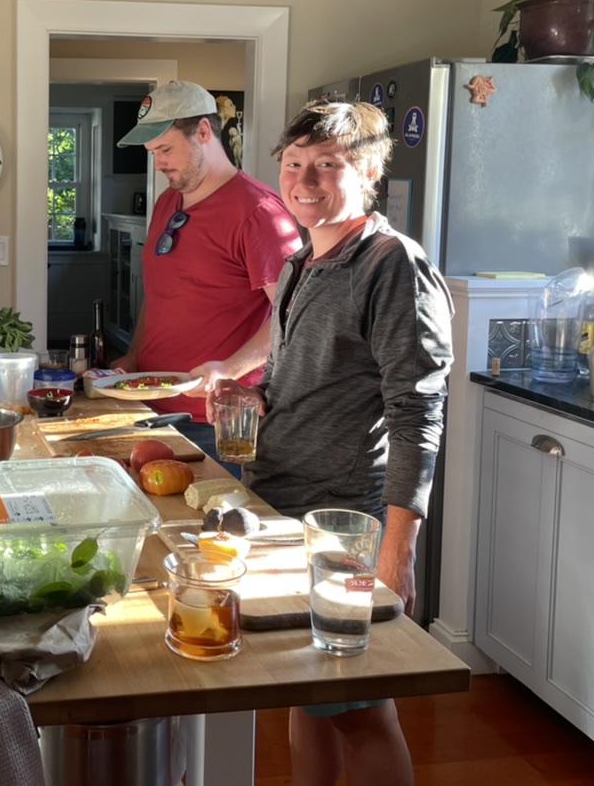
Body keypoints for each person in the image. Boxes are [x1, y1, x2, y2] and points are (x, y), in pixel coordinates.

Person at [208, 98, 453, 786]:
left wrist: (398, 549)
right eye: (293, 164)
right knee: (307, 692)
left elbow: (417, 411)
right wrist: (257, 397)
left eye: (327, 165)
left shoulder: (391, 265)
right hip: (286, 508)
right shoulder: (301, 264)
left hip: (347, 522)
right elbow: (311, 377)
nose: (304, 180)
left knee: (361, 711)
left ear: (369, 171)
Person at [112, 80, 301, 471]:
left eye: (165, 149)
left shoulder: (259, 212)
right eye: (152, 152)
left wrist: (228, 370)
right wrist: (134, 356)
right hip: (150, 410)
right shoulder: (168, 200)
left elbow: (295, 316)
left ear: (203, 132)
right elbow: (160, 291)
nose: (158, 163)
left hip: (213, 424)